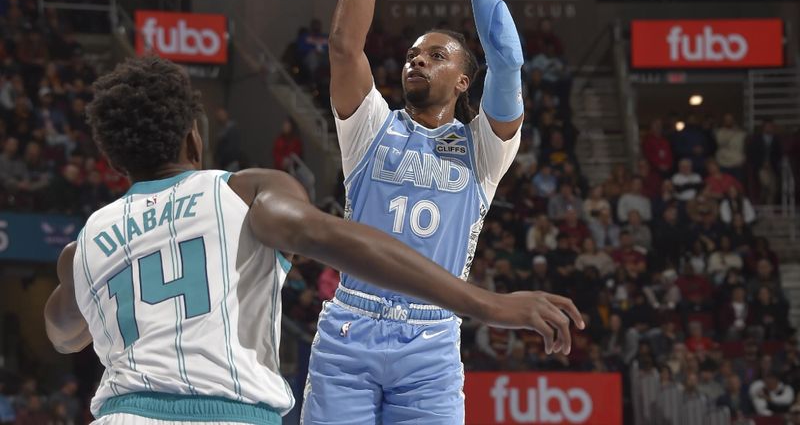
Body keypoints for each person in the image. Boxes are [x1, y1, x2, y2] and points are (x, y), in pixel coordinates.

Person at [43, 56, 582, 423]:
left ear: (112, 162)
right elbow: (348, 242)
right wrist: (488, 304)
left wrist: (80, 274)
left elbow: (64, 333)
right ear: (194, 138)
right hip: (228, 413)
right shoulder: (248, 192)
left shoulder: (84, 246)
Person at [304, 0, 582, 423]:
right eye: (411, 54)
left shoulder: (485, 148)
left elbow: (506, 56)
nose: (417, 61)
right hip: (348, 331)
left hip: (431, 342)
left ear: (462, 83)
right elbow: (344, 47)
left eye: (436, 56)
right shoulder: (369, 128)